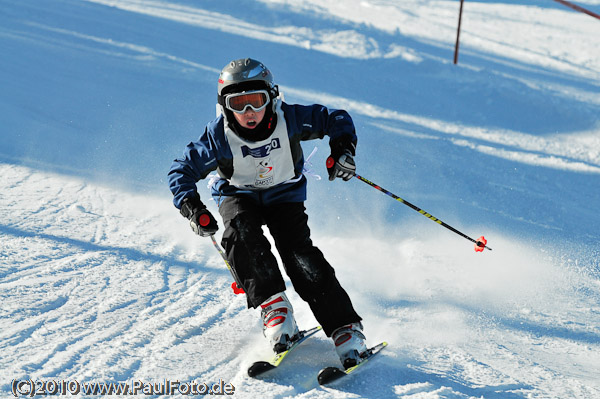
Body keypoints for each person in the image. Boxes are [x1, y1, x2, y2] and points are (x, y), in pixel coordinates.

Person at [168, 58, 366, 368]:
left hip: (284, 194)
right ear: (224, 106)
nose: (249, 113)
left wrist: (343, 149)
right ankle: (275, 308)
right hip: (237, 195)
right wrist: (193, 207)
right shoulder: (219, 135)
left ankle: (345, 327)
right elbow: (181, 170)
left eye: (256, 102)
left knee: (298, 255)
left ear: (271, 97)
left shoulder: (291, 119)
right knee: (242, 238)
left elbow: (336, 118)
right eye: (238, 104)